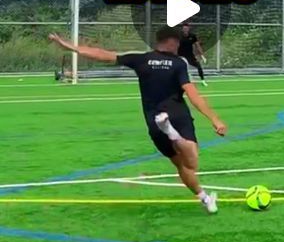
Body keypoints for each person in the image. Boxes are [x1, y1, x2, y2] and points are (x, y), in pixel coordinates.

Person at [48, 26, 227, 214]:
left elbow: (102, 54)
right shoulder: (178, 63)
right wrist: (215, 119)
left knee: (180, 165)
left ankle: (205, 198)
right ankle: (173, 133)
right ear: (172, 42)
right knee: (191, 162)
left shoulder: (141, 59)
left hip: (153, 120)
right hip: (177, 115)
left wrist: (69, 46)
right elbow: (193, 94)